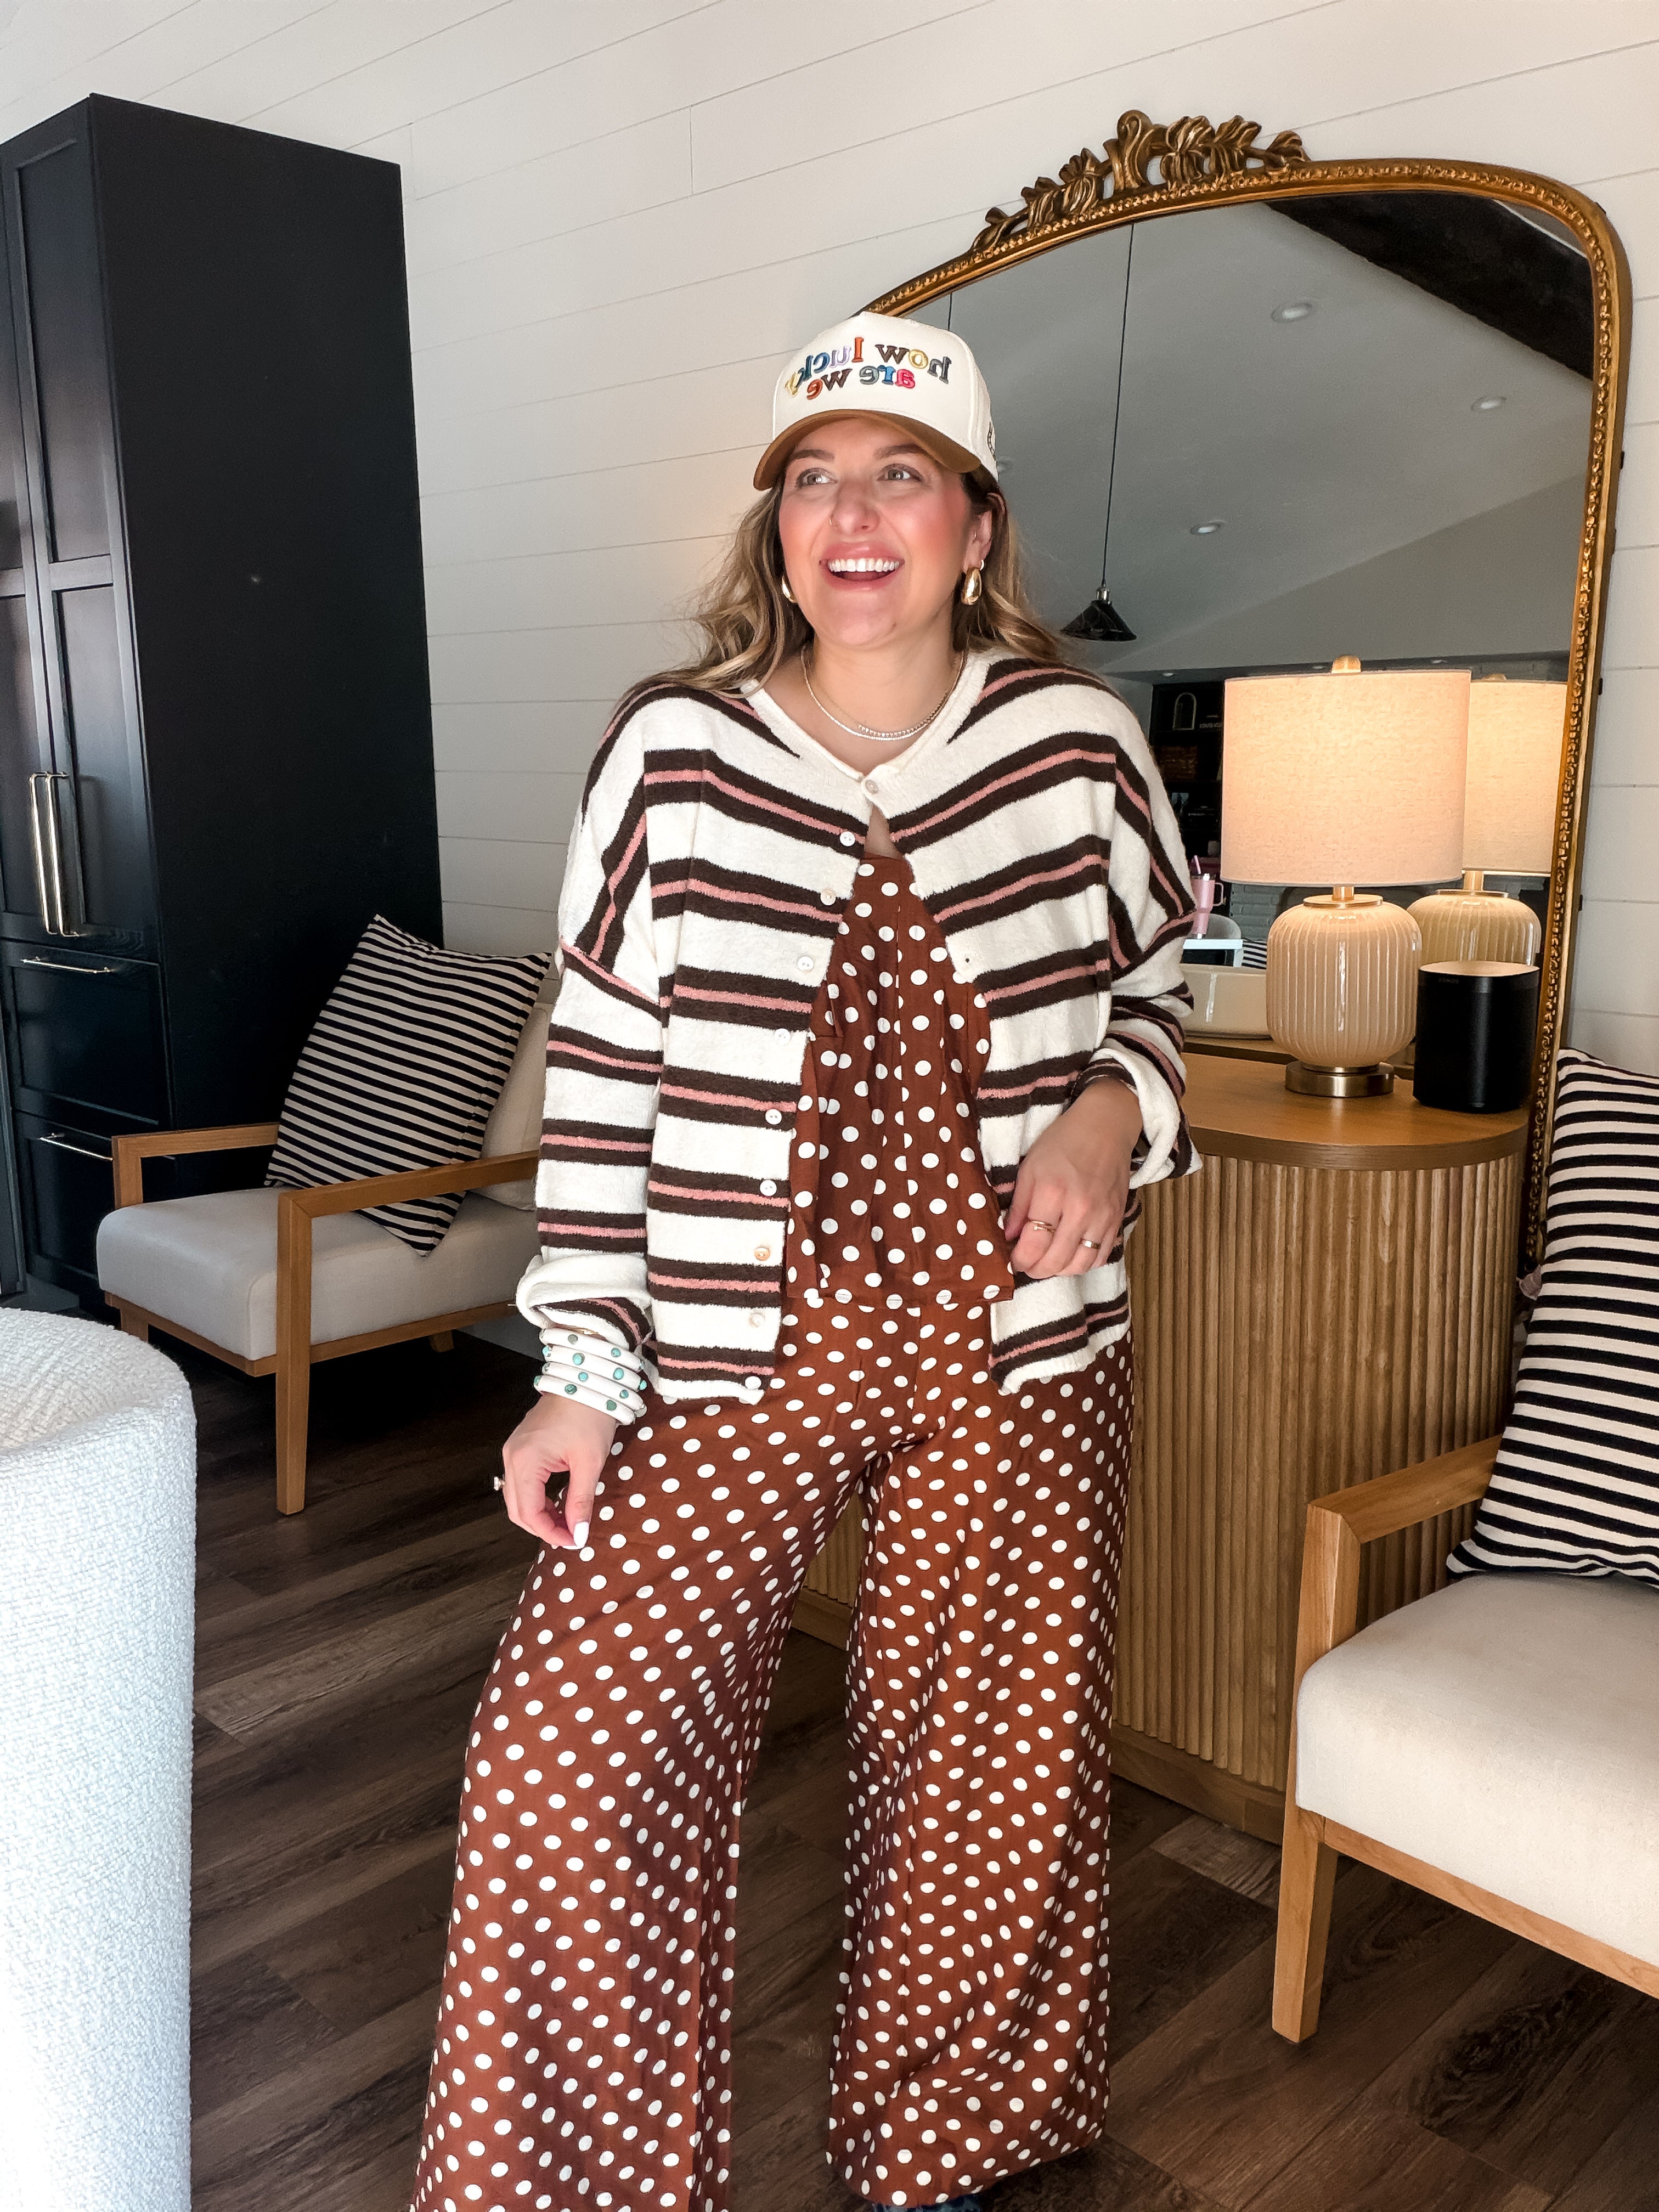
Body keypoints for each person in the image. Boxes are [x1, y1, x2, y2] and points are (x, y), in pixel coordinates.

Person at [410, 310, 1197, 2212]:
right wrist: (578, 1370)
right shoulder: (673, 749)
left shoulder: (1080, 746)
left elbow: (1161, 988)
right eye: (814, 480)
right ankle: (569, 2184)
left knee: (988, 1761)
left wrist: (1112, 1115)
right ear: (776, 530)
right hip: (731, 1343)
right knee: (568, 1748)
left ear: (974, 527)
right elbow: (604, 1074)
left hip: (1018, 1340)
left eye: (900, 476)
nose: (855, 517)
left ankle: (950, 2134)